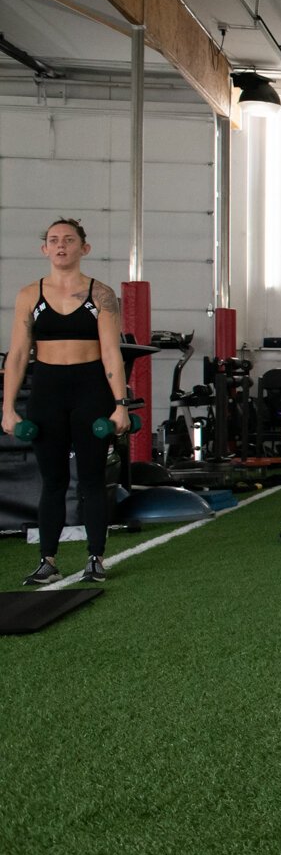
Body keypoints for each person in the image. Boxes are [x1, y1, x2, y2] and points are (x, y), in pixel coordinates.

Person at [1, 218, 132, 584]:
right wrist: (8, 409)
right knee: (53, 480)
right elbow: (16, 355)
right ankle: (48, 559)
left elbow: (111, 351)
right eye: (54, 240)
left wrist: (120, 404)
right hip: (47, 391)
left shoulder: (101, 294)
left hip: (91, 389)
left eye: (69, 240)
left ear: (83, 248)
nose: (61, 246)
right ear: (45, 249)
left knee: (91, 478)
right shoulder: (29, 295)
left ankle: (95, 557)